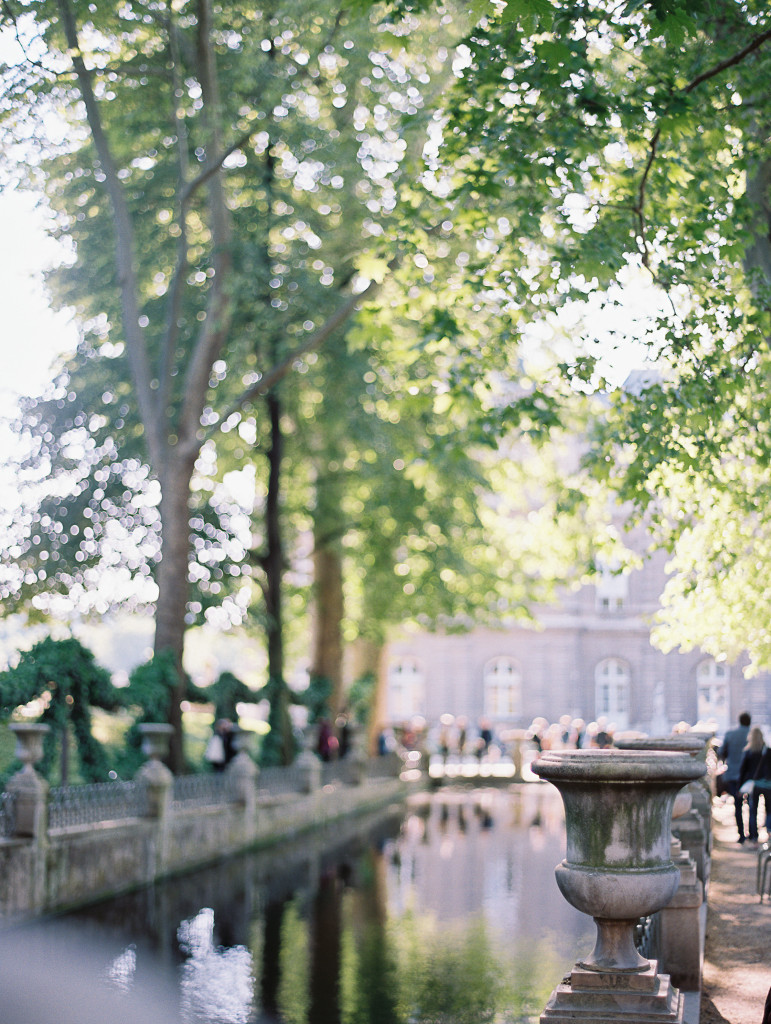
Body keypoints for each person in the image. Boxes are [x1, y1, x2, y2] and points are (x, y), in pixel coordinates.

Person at [718, 711, 752, 844]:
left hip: (732, 774)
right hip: (749, 777)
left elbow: (721, 752)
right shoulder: (753, 735)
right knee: (751, 806)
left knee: (737, 805)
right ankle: (752, 834)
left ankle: (741, 835)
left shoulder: (730, 735)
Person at [738, 726, 766, 847]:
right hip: (766, 784)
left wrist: (740, 787)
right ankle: (766, 831)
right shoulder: (766, 750)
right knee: (766, 810)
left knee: (752, 810)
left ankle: (753, 836)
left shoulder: (748, 751)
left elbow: (743, 771)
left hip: (752, 784)